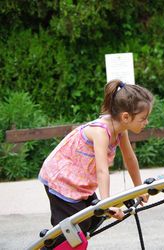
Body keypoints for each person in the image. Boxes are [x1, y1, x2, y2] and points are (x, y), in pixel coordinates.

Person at [39, 80, 153, 246]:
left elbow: (130, 159)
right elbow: (102, 170)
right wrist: (106, 204)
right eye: (143, 118)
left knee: (93, 221)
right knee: (75, 231)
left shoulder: (121, 131)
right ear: (126, 117)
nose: (146, 122)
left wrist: (140, 188)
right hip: (61, 180)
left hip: (79, 182)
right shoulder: (101, 132)